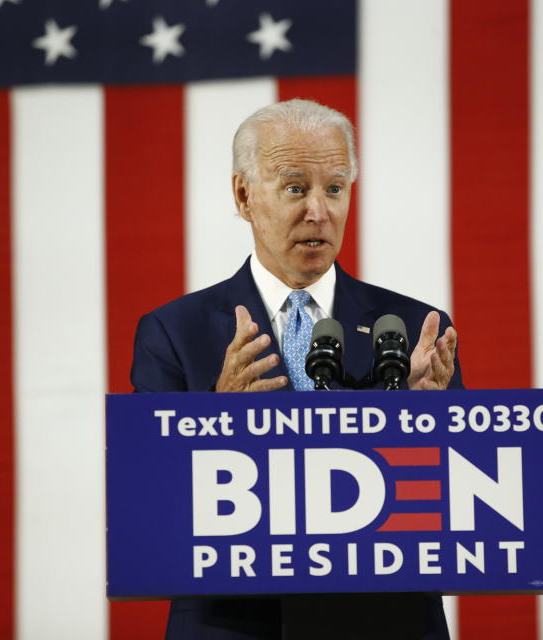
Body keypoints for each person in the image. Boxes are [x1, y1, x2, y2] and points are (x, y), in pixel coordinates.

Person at [132, 99, 462, 639]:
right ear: (243, 195)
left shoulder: (410, 330)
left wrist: (430, 422)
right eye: (294, 188)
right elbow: (148, 504)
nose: (318, 211)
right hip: (234, 623)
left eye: (334, 188)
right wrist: (217, 416)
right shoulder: (175, 332)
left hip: (388, 621)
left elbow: (459, 505)